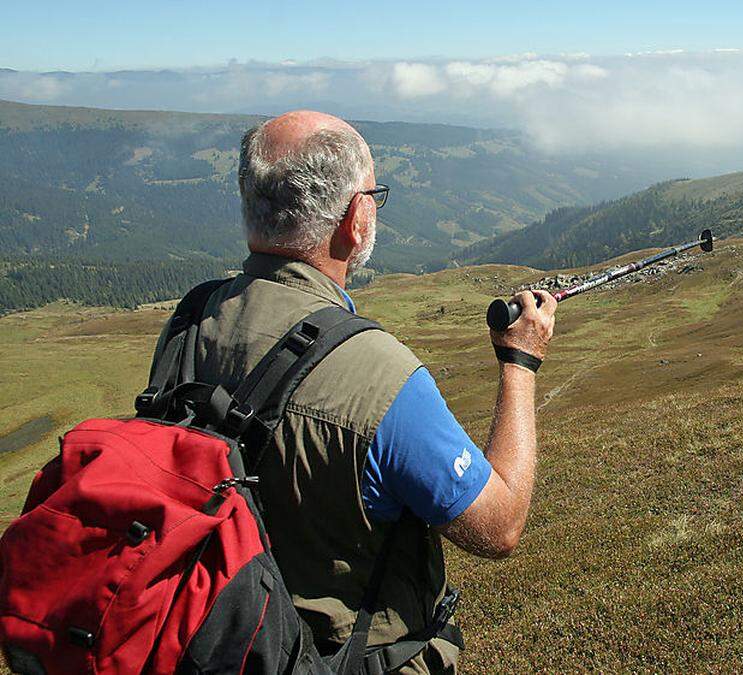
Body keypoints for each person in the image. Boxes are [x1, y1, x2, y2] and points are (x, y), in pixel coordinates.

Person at [152, 110, 556, 672]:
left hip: (219, 645)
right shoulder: (378, 376)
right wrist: (520, 363)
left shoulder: (192, 320)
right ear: (355, 220)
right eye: (374, 196)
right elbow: (499, 525)